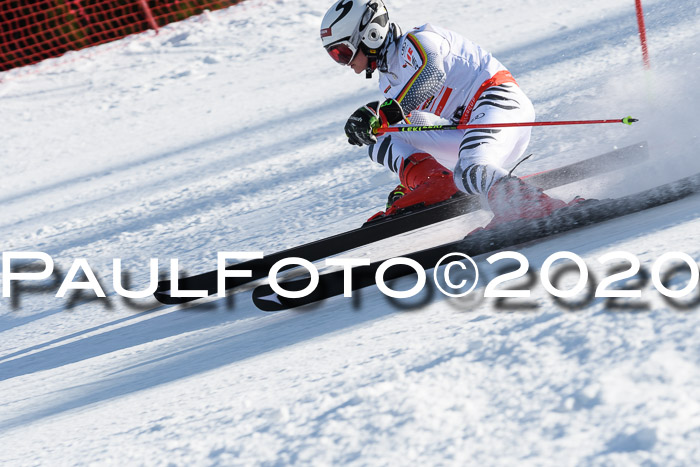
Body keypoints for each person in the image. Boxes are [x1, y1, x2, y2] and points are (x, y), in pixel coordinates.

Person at [320, 0, 579, 227]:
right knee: (382, 138)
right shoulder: (387, 81)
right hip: (468, 131)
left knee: (469, 170)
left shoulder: (419, 40)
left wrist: (385, 111)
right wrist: (409, 180)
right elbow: (413, 124)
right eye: (335, 57)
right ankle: (436, 182)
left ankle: (538, 207)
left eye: (342, 52)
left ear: (371, 34)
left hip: (499, 104)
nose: (345, 63)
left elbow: (432, 74)